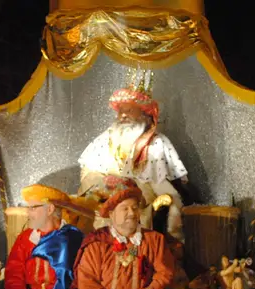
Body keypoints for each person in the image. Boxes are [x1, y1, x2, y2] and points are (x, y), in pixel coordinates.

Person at [78, 71, 188, 241]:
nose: (123, 115)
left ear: (144, 114)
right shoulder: (105, 138)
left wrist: (131, 190)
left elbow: (161, 186)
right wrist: (103, 184)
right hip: (106, 202)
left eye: (129, 110)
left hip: (139, 205)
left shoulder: (155, 143)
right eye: (120, 111)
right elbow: (87, 174)